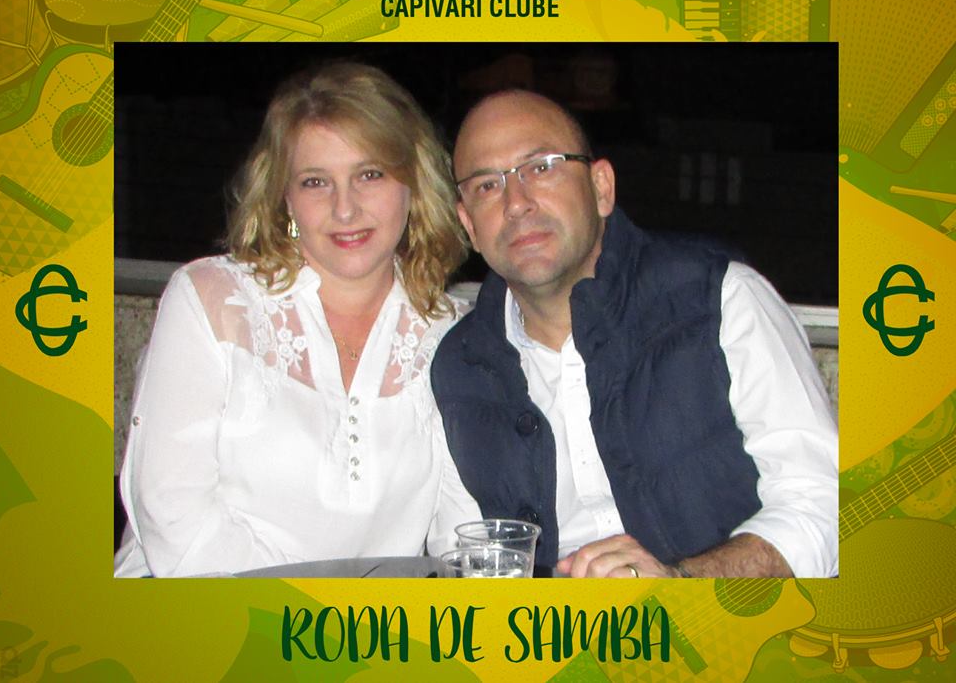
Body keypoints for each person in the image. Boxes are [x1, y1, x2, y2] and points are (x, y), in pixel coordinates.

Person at [431, 89, 838, 578]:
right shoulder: (457, 367)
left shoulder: (720, 302)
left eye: (541, 167)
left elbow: (823, 505)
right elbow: (461, 552)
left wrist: (679, 586)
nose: (516, 203)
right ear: (469, 226)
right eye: (486, 185)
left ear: (601, 188)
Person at [115, 63, 479, 577]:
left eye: (369, 174)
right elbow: (172, 513)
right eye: (315, 182)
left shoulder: (451, 334)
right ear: (285, 197)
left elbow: (462, 533)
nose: (345, 209)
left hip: (368, 622)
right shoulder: (213, 301)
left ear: (414, 184)